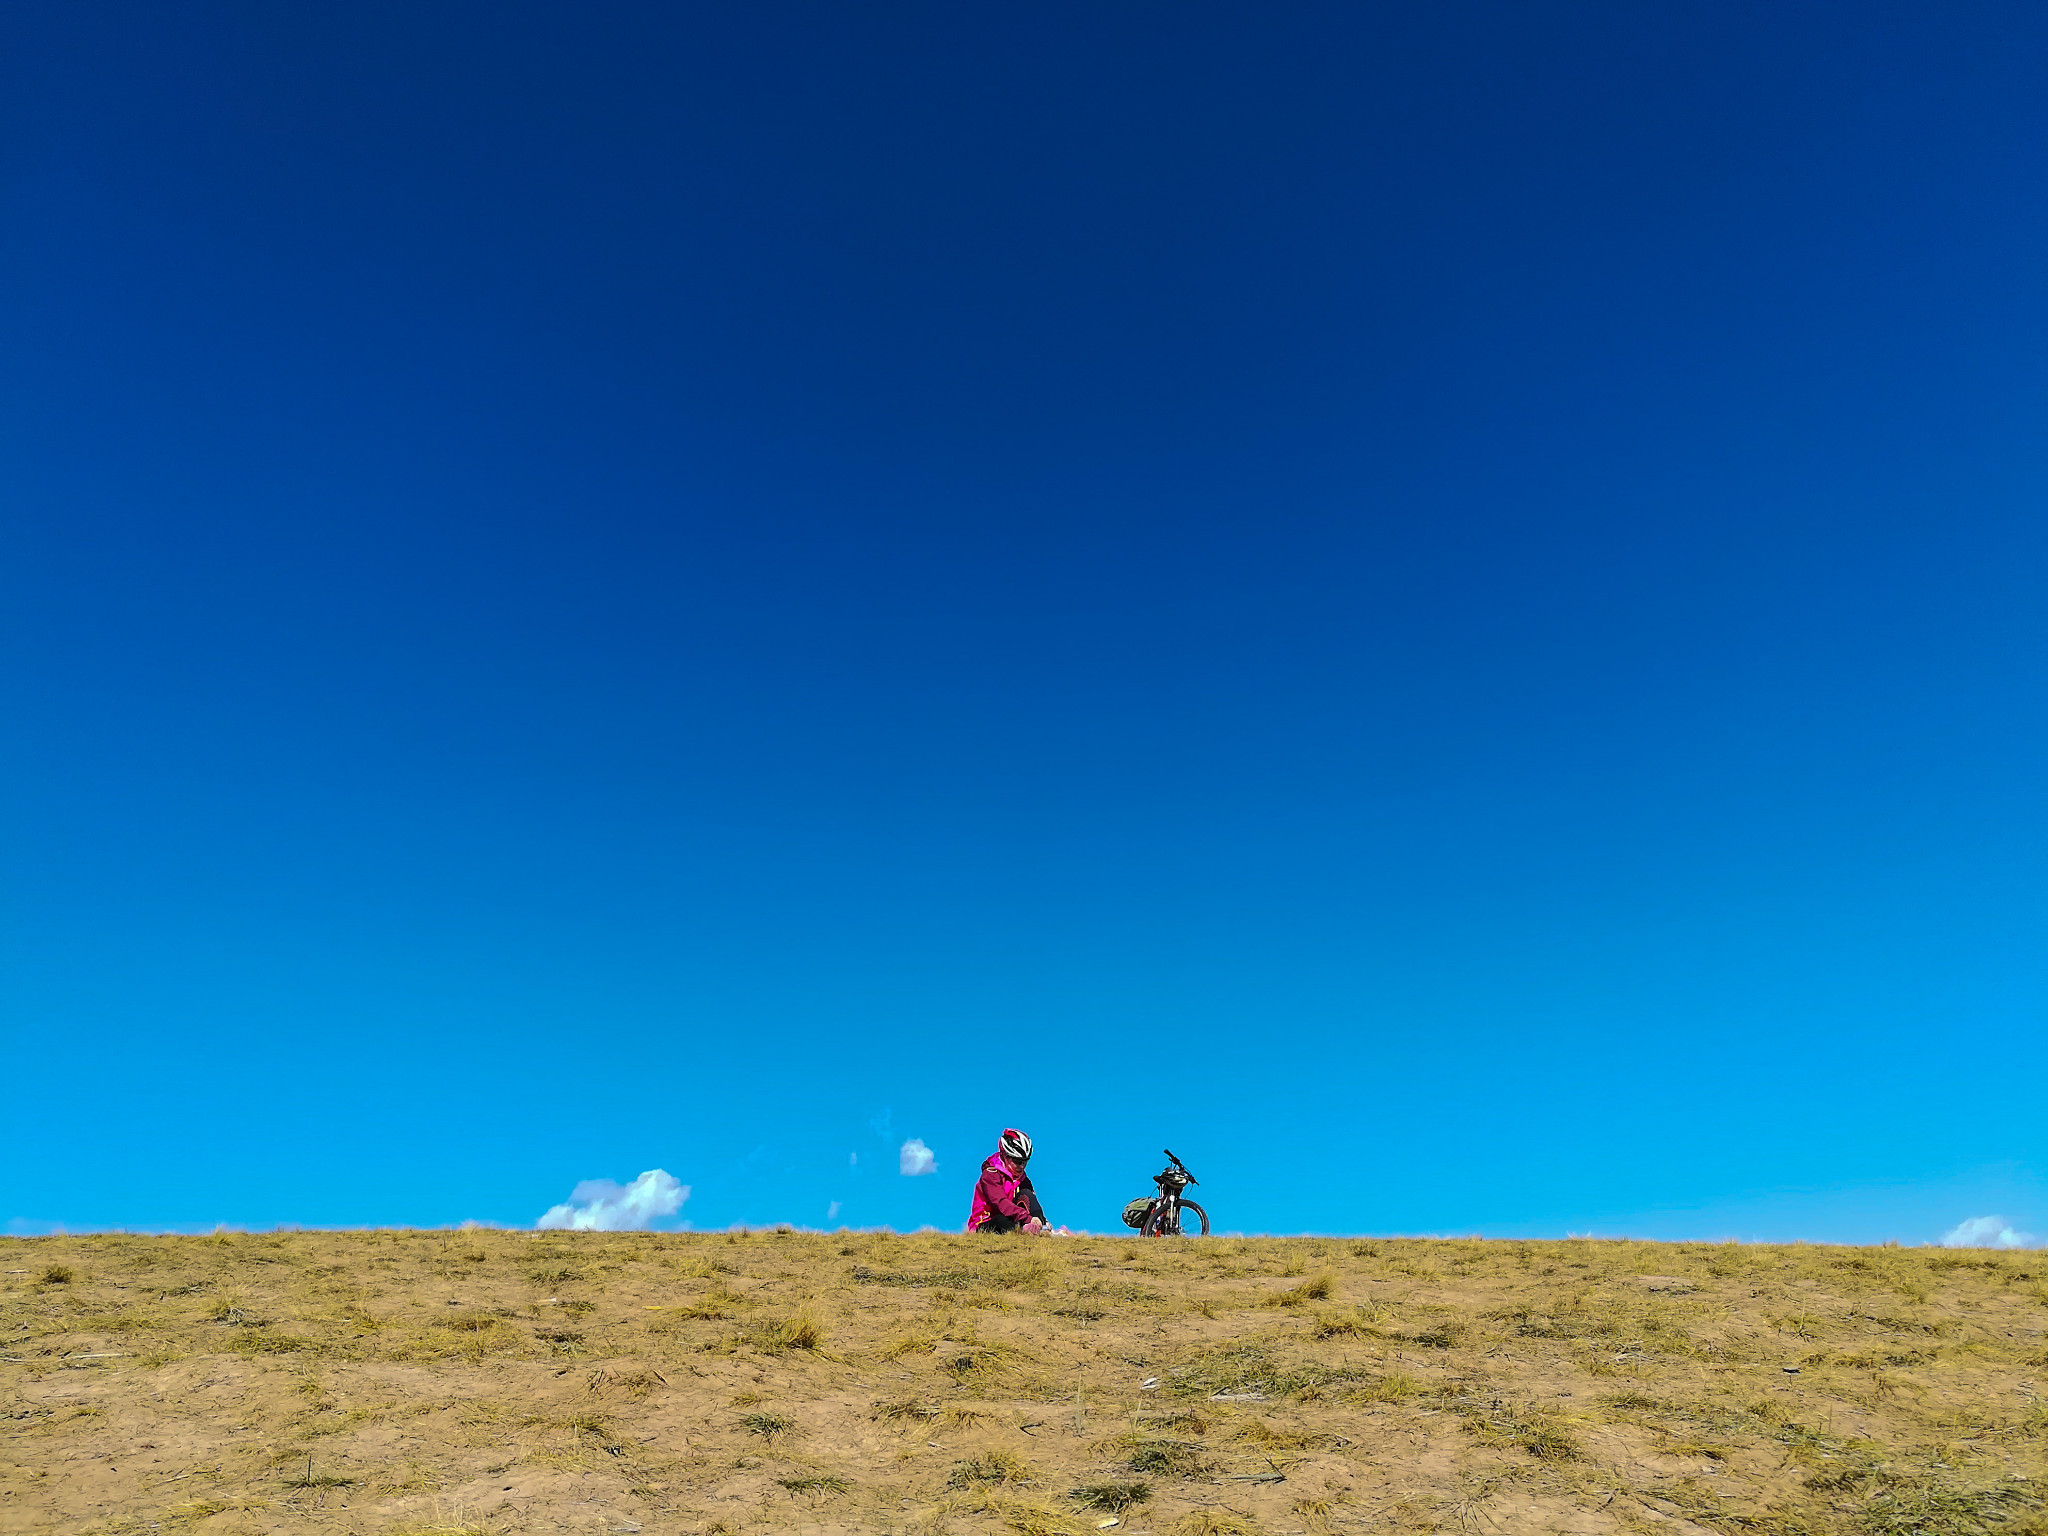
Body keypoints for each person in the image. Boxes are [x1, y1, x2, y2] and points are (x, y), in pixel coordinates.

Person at [966, 1127, 1048, 1234]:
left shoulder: (1023, 1179)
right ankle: (1023, 1232)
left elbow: (1031, 1202)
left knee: (1026, 1193)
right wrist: (1027, 1219)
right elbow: (1000, 1203)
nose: (1022, 1166)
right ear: (1005, 1155)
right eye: (1017, 1161)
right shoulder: (990, 1174)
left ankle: (1043, 1227)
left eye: (1025, 1162)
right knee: (1001, 1220)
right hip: (986, 1222)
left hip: (1012, 1217)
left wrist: (1039, 1219)